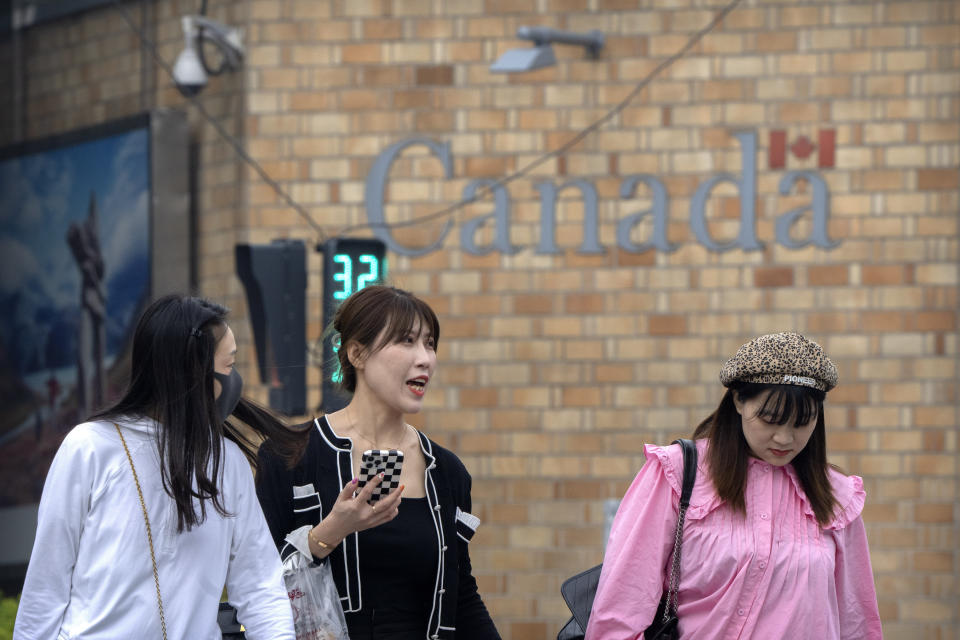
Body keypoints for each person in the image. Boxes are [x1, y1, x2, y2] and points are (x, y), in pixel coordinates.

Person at [15, 294, 305, 640]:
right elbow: (47, 585)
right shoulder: (90, 446)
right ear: (193, 372)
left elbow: (260, 587)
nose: (235, 380)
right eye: (229, 366)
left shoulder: (227, 462)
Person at [586, 332, 883, 639]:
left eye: (801, 422)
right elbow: (620, 610)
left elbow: (857, 623)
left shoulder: (837, 498)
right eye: (769, 419)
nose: (784, 438)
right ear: (739, 400)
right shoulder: (678, 474)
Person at [256, 285, 501, 640]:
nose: (425, 358)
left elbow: (461, 594)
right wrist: (330, 532)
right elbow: (257, 582)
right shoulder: (289, 455)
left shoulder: (446, 472)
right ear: (356, 352)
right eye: (406, 341)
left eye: (430, 343)